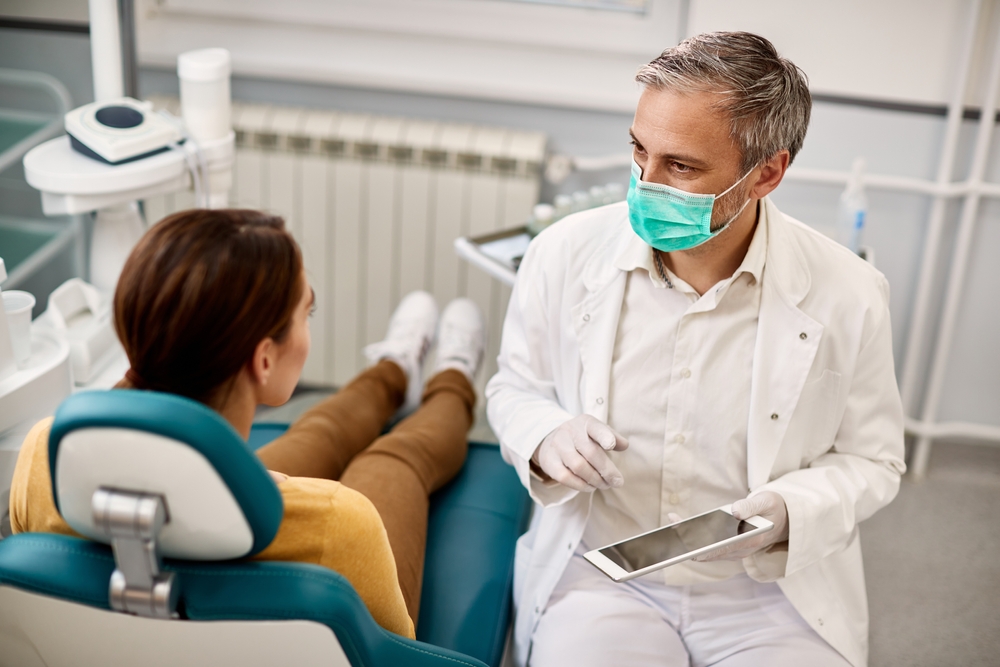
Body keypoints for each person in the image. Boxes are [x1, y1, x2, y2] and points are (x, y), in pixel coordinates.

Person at [486, 32, 905, 667]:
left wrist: (790, 511)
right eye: (637, 150)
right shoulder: (564, 253)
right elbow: (513, 389)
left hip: (766, 595)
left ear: (766, 172)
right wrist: (545, 436)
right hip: (604, 576)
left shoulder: (850, 293)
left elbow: (874, 461)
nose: (644, 183)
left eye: (680, 166)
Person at [8, 208, 487, 640]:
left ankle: (394, 369)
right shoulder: (341, 525)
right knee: (396, 458)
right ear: (263, 359)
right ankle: (453, 378)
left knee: (317, 436)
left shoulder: (39, 457)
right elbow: (390, 652)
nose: (308, 327)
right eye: (307, 311)